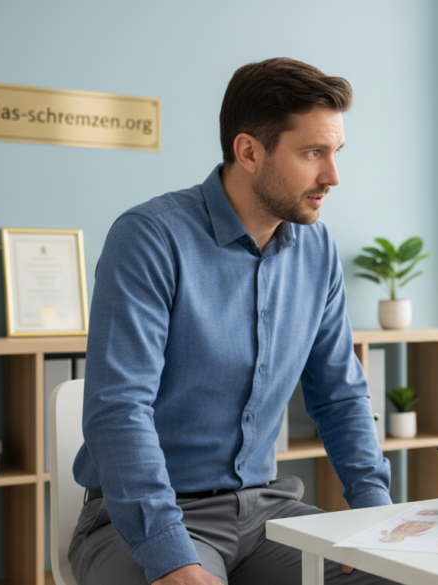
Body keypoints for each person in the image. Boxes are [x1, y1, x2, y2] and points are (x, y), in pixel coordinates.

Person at [69, 58, 395, 585]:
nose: (332, 176)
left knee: (402, 576)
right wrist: (169, 553)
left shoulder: (317, 250)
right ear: (248, 151)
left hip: (268, 513)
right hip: (146, 518)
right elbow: (119, 409)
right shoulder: (150, 238)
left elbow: (340, 396)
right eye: (313, 153)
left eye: (334, 153)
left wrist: (375, 518)